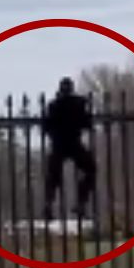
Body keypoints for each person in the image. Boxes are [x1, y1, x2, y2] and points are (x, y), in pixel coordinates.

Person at [40, 77, 96, 219]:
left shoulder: (53, 105)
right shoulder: (79, 103)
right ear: (71, 89)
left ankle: (48, 204)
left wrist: (52, 134)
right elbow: (87, 123)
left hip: (58, 145)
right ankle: (81, 202)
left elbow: (46, 127)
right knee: (90, 170)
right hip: (74, 144)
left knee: (53, 177)